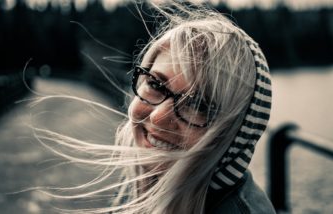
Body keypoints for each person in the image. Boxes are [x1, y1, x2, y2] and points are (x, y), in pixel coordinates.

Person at [37, 2, 275, 214]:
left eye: (197, 105)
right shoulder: (144, 176)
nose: (159, 116)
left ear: (238, 135)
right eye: (155, 84)